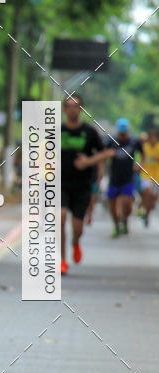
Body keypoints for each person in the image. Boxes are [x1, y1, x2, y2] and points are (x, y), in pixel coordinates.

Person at [60, 94, 106, 275]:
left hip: (83, 186)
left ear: (81, 110)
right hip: (61, 184)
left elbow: (105, 153)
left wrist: (88, 162)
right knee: (60, 217)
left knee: (77, 228)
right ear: (64, 110)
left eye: (76, 106)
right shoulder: (55, 131)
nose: (72, 109)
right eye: (69, 106)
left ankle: (76, 243)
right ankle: (62, 260)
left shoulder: (90, 132)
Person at [105, 117, 143, 237]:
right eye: (120, 133)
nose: (122, 135)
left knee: (126, 202)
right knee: (112, 204)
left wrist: (140, 164)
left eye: (124, 132)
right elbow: (103, 154)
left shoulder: (134, 141)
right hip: (114, 178)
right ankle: (116, 226)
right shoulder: (111, 141)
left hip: (128, 178)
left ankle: (125, 220)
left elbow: (143, 154)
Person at [140, 125, 159, 227]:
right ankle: (143, 206)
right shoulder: (144, 147)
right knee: (148, 192)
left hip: (157, 176)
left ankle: (146, 214)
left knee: (153, 198)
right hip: (146, 175)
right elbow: (141, 159)